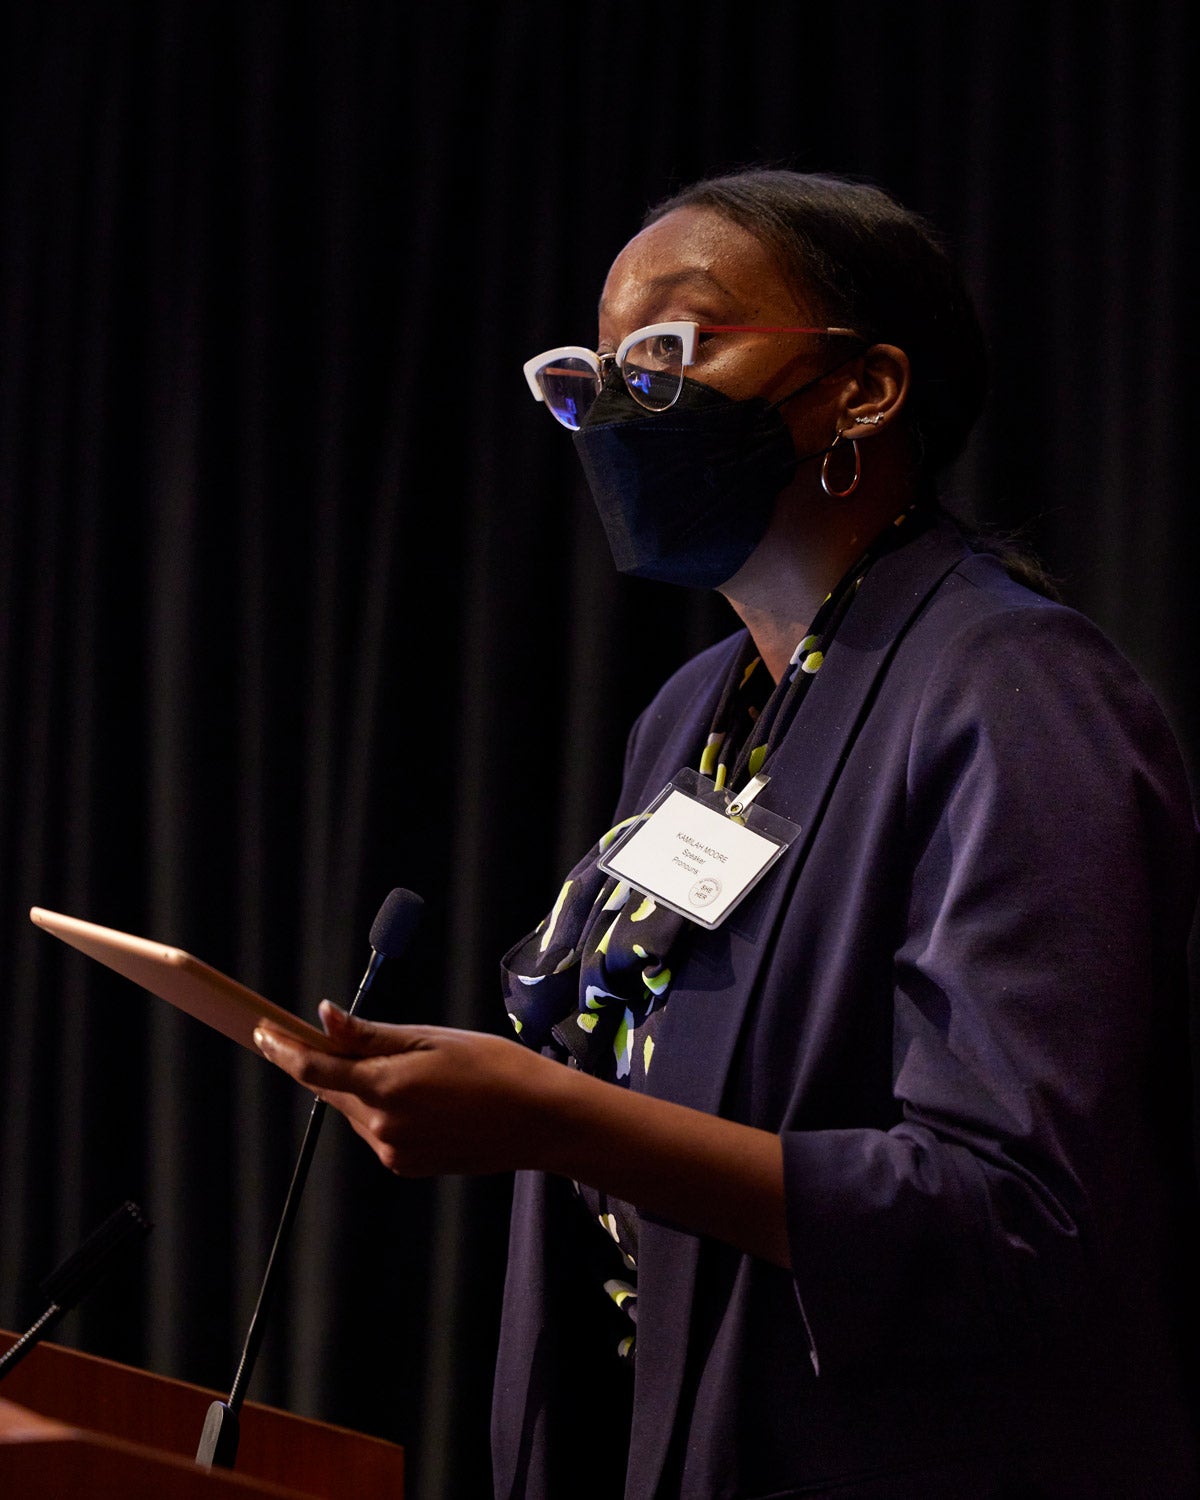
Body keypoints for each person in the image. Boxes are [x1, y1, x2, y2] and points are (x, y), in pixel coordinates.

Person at [252, 168, 1200, 1498]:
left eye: (676, 349)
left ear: (863, 390)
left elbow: (1013, 1213)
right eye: (598, 371)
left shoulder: (1015, 689)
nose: (622, 409)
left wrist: (560, 1121)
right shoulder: (697, 711)